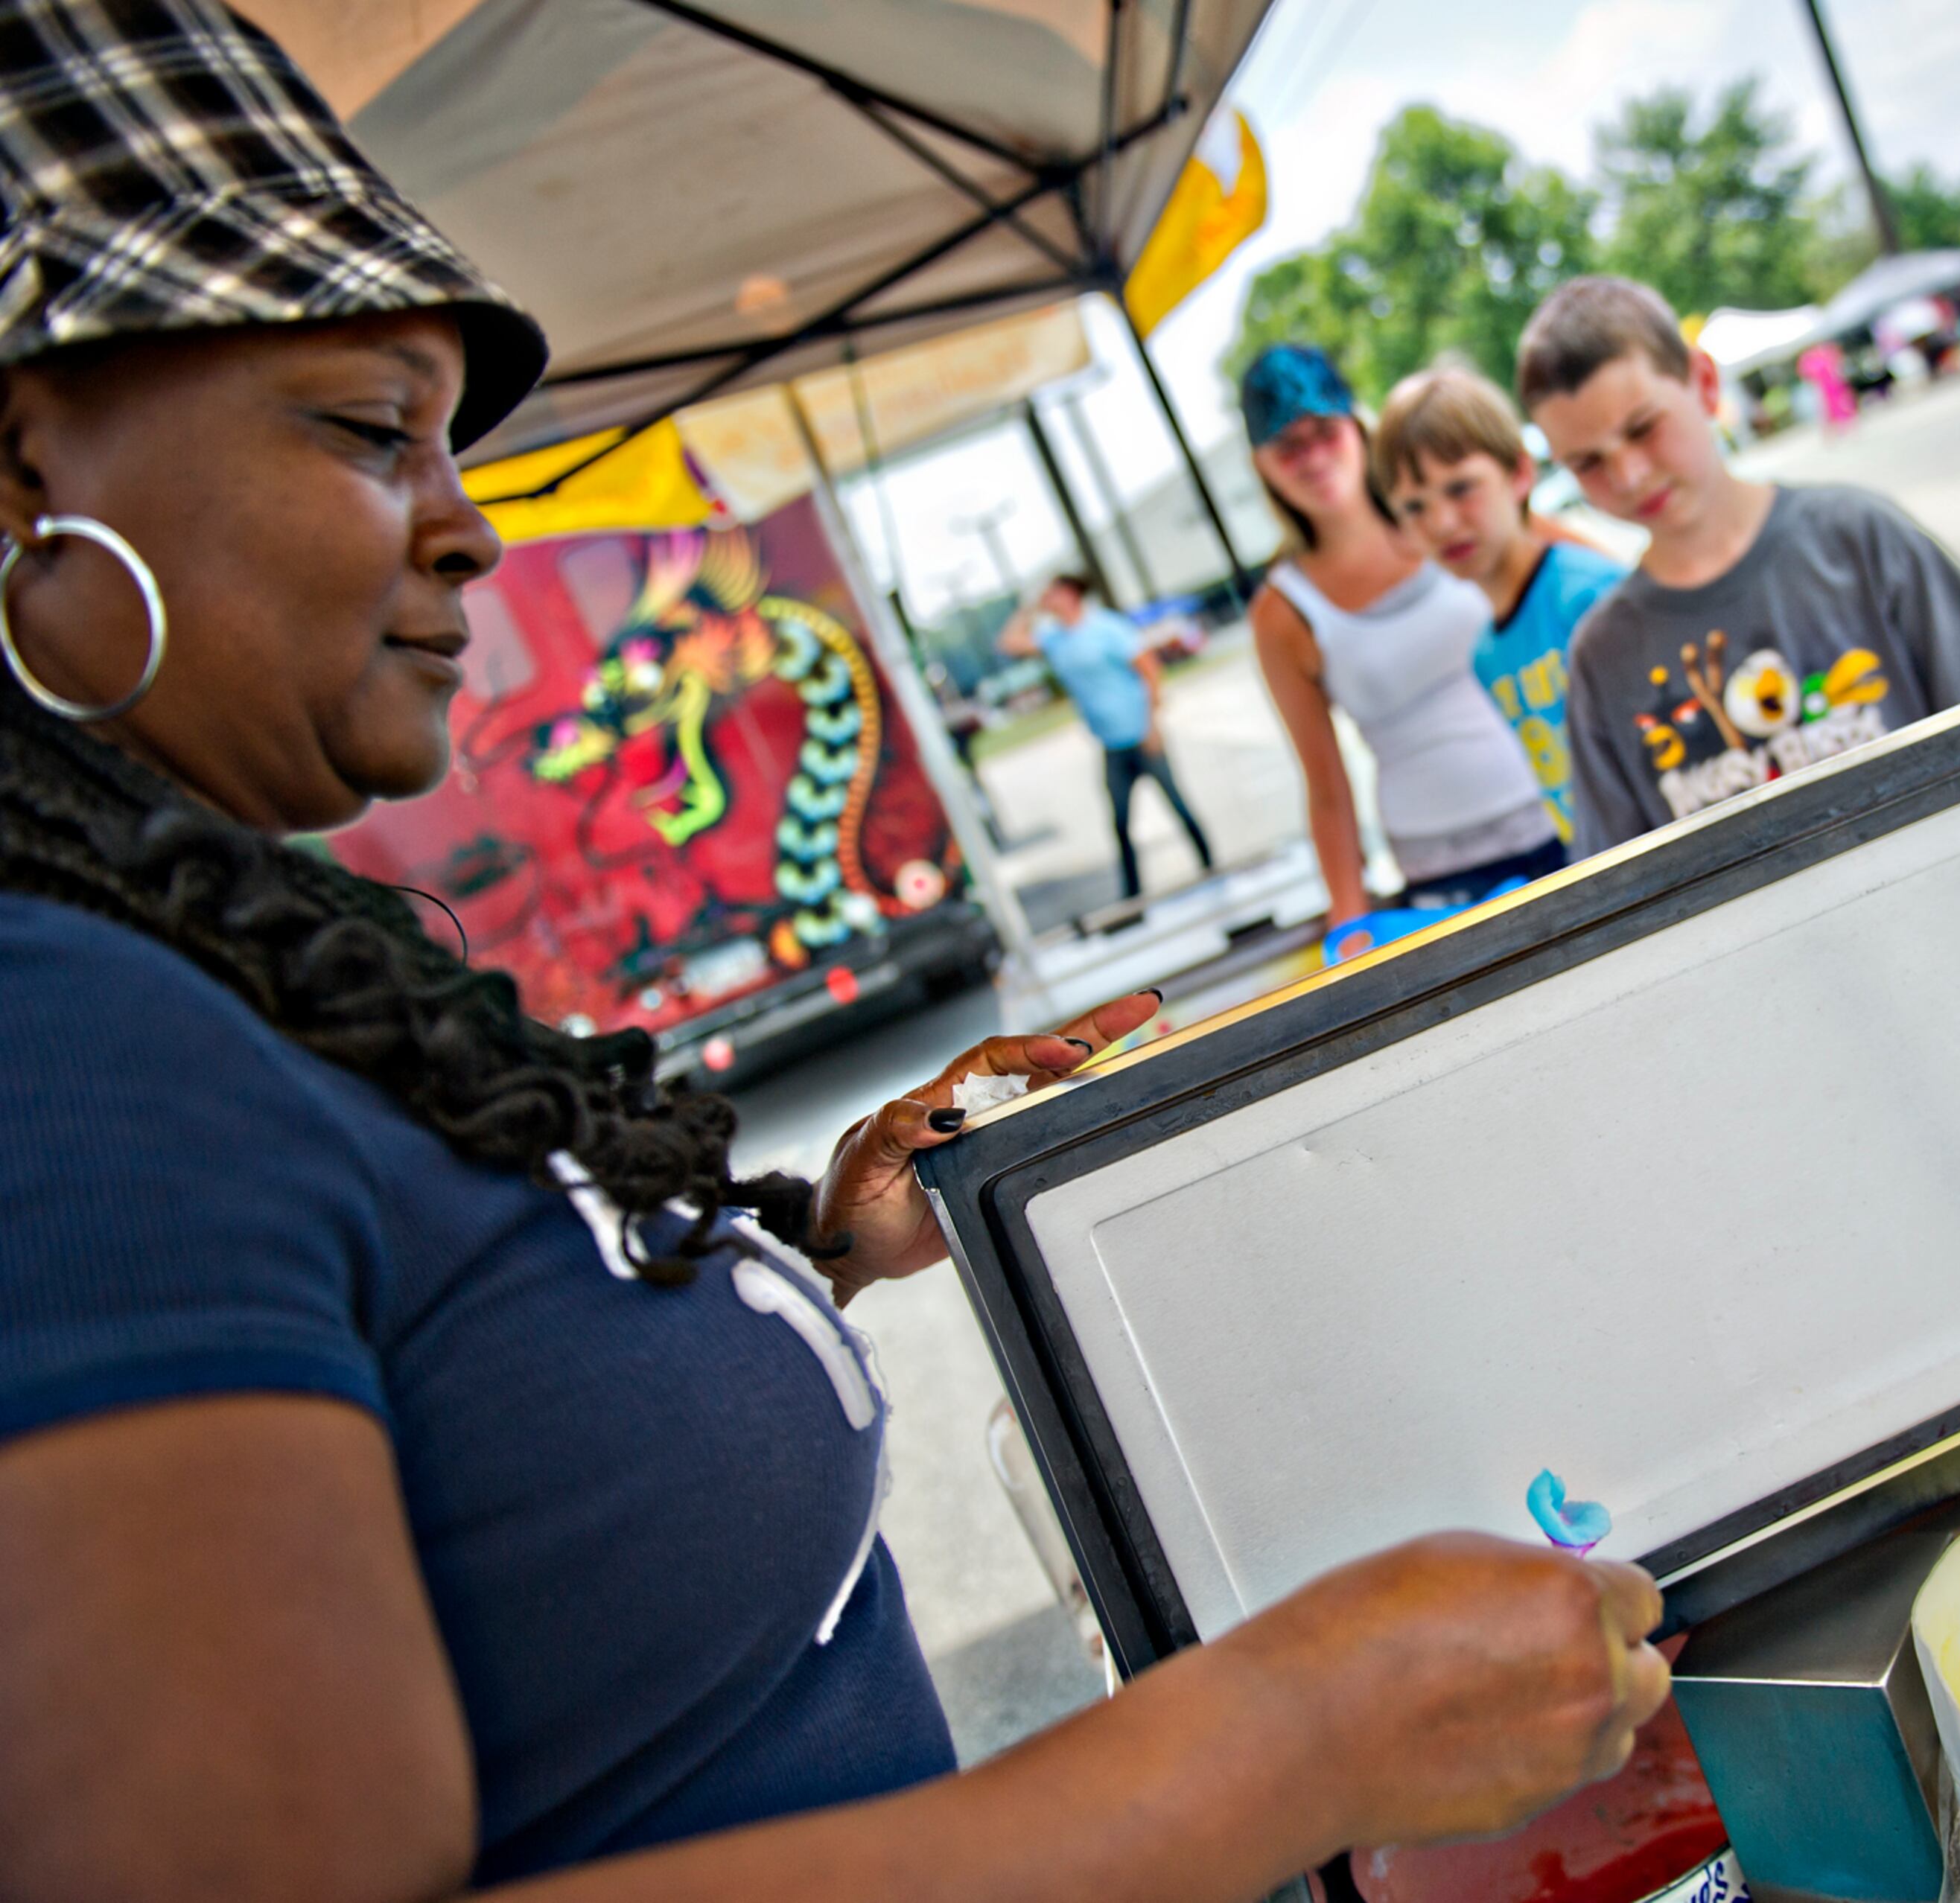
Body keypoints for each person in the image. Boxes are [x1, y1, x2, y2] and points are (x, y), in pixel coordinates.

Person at [0, 7, 1672, 1898]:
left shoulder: (194, 955)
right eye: (373, 431)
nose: (468, 527)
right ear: (20, 475)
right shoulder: (50, 1050)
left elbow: (476, 1440)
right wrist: (1285, 1738)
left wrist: (809, 1244)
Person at [1515, 277, 1960, 855]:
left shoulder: (1857, 540)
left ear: (1704, 383)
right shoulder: (1602, 658)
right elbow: (1618, 880)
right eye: (1588, 463)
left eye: (1643, 428)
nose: (1630, 475)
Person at [1242, 343, 1564, 923]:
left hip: (1561, 812)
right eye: (1288, 446)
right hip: (1440, 872)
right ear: (1261, 464)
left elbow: (1598, 589)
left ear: (1357, 428)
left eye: (1324, 432)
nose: (1312, 457)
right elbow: (1327, 787)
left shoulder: (1451, 513)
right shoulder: (1283, 611)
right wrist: (1349, 919)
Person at [1373, 361, 1626, 854]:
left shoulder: (1593, 598)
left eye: (1460, 488)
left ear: (1519, 473)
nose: (1443, 523)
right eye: (1414, 507)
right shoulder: (1485, 654)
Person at [1000, 570, 1212, 901]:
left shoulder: (1107, 628)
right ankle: (1133, 894)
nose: (1049, 598)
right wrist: (1030, 607)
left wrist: (1152, 724)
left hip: (1141, 735)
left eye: (1053, 592)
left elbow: (1150, 671)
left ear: (1071, 594)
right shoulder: (1054, 637)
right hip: (1112, 744)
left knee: (1178, 805)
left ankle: (1211, 868)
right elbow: (1009, 643)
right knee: (1120, 823)